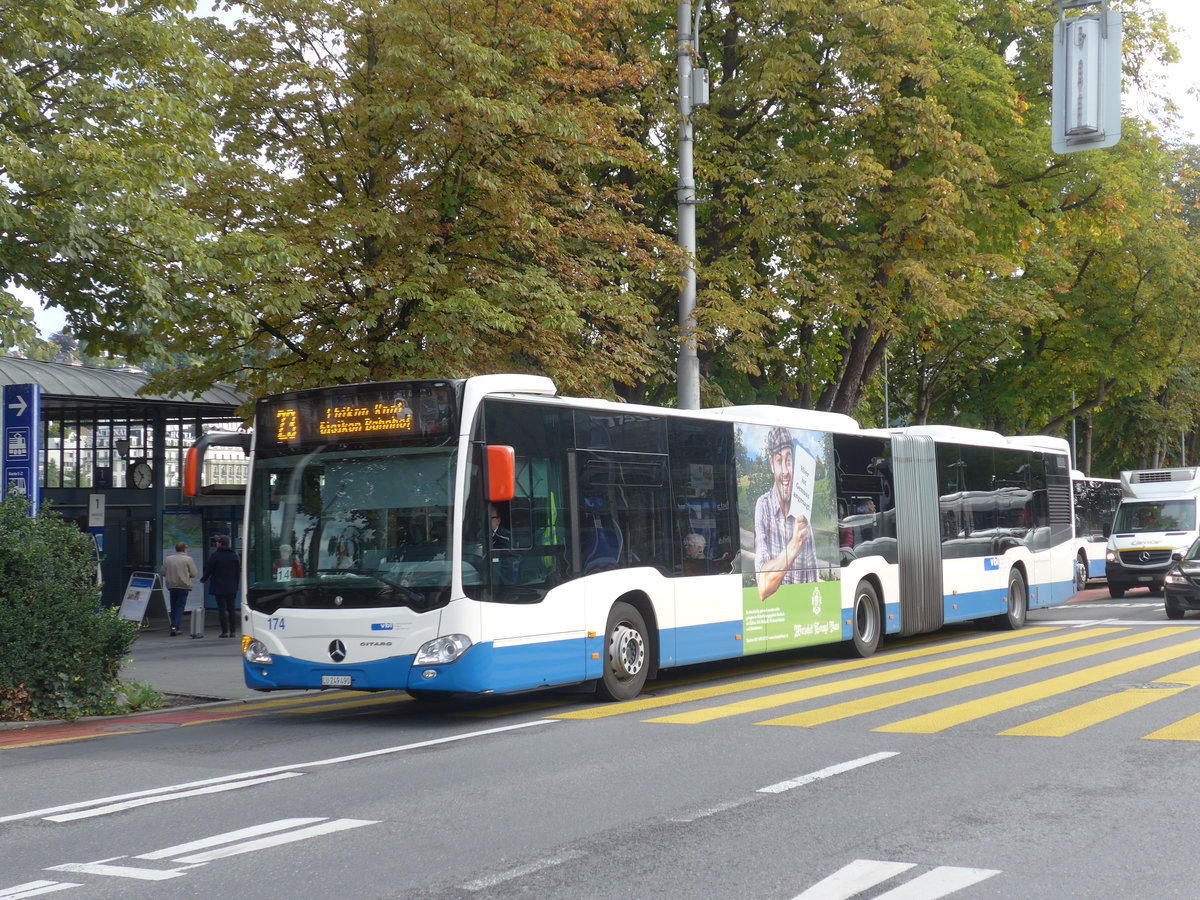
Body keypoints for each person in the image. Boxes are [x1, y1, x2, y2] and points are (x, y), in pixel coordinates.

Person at [754, 425, 818, 602]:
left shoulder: (802, 514)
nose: (785, 471)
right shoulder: (763, 506)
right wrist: (794, 545)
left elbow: (813, 582)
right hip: (773, 612)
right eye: (779, 460)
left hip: (799, 610)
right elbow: (763, 586)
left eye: (788, 460)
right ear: (771, 464)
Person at [202, 536, 241, 638]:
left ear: (220, 543)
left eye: (217, 542)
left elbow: (209, 569)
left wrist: (203, 579)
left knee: (222, 609)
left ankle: (224, 631)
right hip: (231, 587)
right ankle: (233, 631)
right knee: (231, 609)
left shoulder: (215, 556)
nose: (216, 543)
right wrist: (236, 585)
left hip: (219, 586)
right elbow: (237, 572)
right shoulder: (234, 556)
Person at [160, 541, 198, 636]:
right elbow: (194, 573)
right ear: (184, 549)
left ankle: (174, 625)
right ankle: (174, 626)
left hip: (172, 586)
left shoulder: (168, 559)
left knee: (173, 606)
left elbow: (162, 572)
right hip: (183, 586)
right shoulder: (188, 559)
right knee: (180, 606)